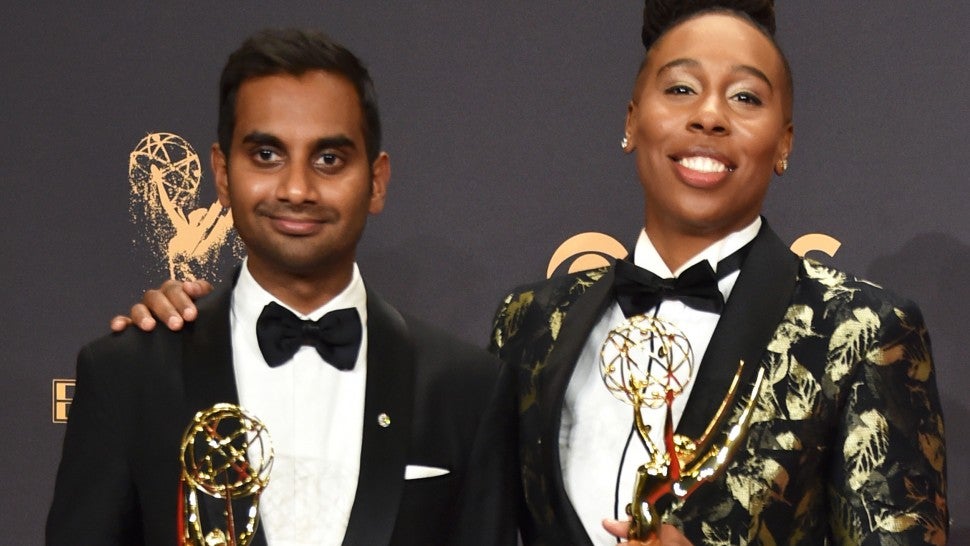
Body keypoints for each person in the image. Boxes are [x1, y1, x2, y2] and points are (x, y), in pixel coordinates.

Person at [115, 2, 949, 545]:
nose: (708, 116)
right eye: (681, 88)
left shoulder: (859, 330)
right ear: (632, 119)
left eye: (747, 98)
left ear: (786, 140)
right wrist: (196, 324)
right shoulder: (531, 323)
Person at [48, 28, 518, 546]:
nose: (297, 189)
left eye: (329, 159)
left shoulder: (466, 389)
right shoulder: (127, 375)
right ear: (222, 174)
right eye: (267, 155)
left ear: (377, 181)